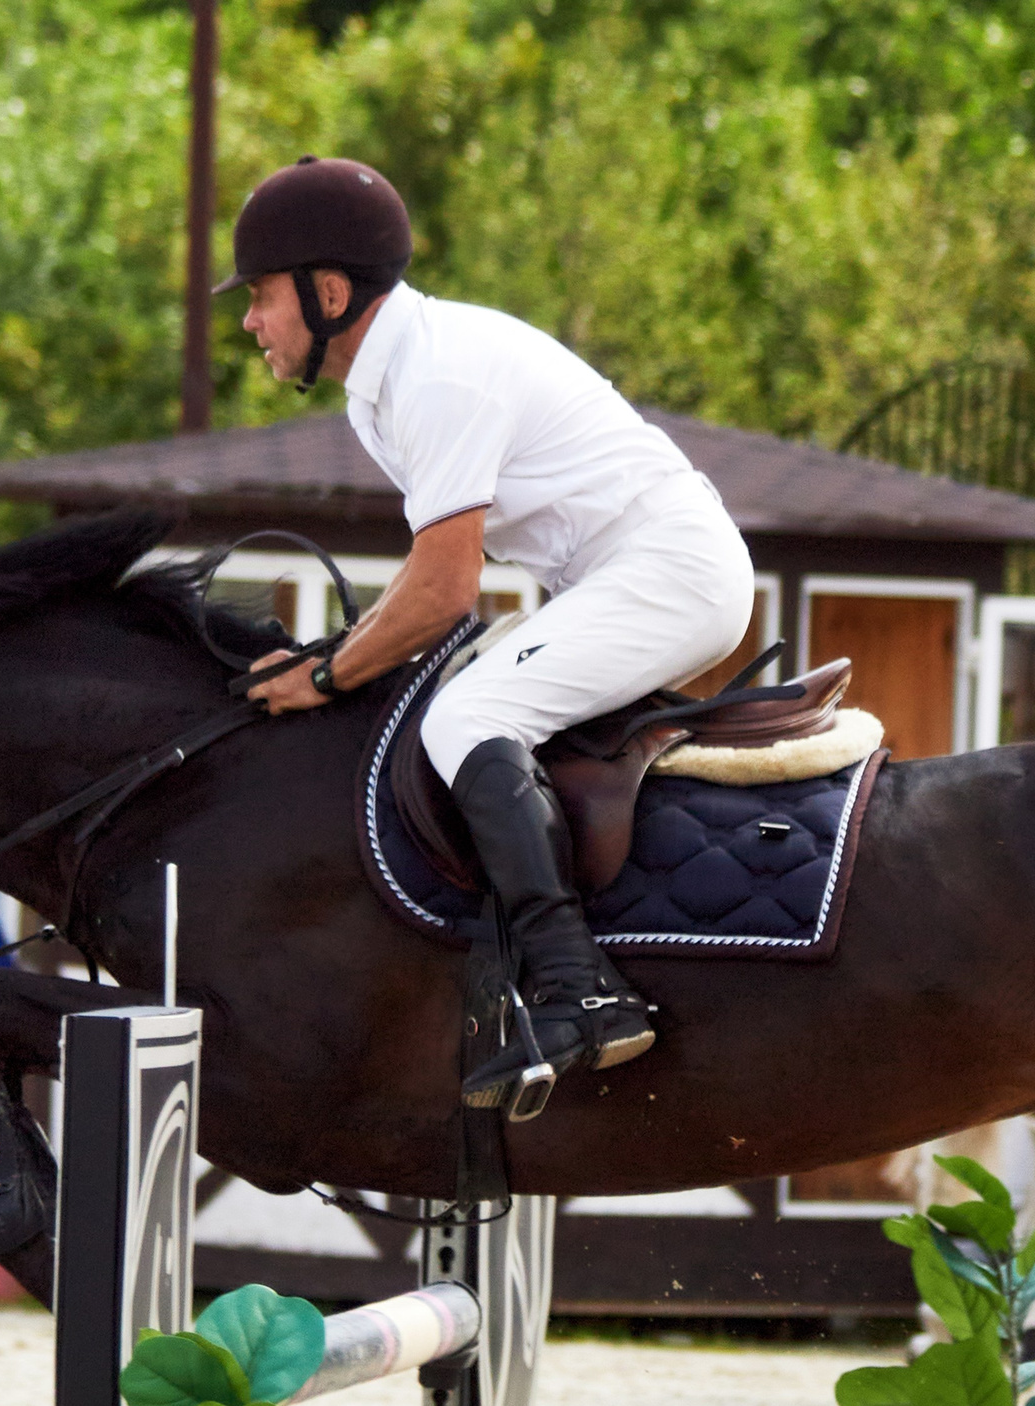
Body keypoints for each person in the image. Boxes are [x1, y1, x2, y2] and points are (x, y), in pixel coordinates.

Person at [224, 156, 755, 1101]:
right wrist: (334, 654)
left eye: (261, 296)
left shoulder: (435, 377)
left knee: (467, 717)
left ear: (330, 293)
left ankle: (581, 986)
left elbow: (443, 592)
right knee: (459, 705)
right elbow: (425, 575)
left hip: (669, 570)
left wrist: (326, 677)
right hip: (626, 574)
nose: (250, 321)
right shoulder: (383, 387)